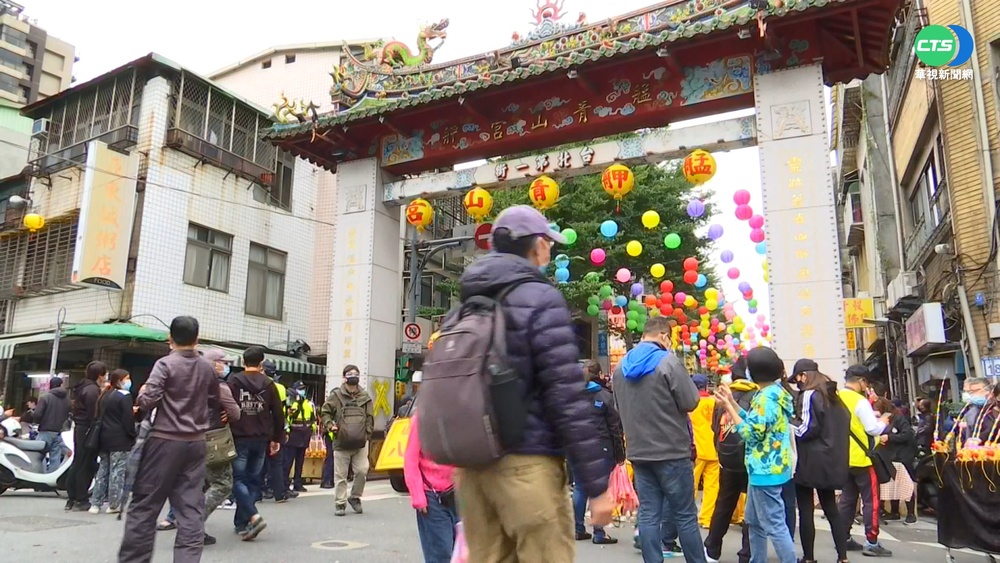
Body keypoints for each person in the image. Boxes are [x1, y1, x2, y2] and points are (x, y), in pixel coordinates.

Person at [450, 206, 613, 561]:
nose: (549, 250)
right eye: (548, 243)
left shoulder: (464, 305)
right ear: (537, 245)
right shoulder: (541, 298)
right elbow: (566, 395)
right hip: (528, 465)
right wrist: (597, 485)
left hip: (472, 469)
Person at [118, 316, 220, 563]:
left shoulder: (165, 364)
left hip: (164, 439)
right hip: (196, 441)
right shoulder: (207, 367)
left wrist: (143, 394)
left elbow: (148, 400)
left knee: (145, 505)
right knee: (190, 508)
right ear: (197, 338)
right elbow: (214, 400)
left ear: (170, 338)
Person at [614, 315, 706, 563]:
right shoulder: (668, 361)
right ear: (664, 336)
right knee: (685, 515)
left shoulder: (620, 368)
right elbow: (691, 401)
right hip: (672, 451)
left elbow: (618, 407)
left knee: (648, 514)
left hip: (639, 452)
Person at [714, 347, 795, 563]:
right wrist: (732, 404)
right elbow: (754, 420)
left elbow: (750, 433)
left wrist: (729, 408)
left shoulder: (765, 398)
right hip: (770, 467)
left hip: (764, 470)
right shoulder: (774, 393)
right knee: (755, 522)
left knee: (775, 525)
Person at [790, 369, 850, 563]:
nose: (798, 383)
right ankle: (843, 557)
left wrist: (787, 422)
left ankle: (808, 558)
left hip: (809, 461)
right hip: (831, 460)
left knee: (805, 510)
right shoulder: (834, 398)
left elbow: (805, 429)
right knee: (831, 509)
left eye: (797, 378)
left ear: (804, 375)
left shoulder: (809, 395)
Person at [228, 345, 286, 540]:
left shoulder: (234, 381)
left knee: (237, 479)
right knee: (253, 480)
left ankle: (251, 517)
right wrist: (277, 439)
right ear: (261, 363)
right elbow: (278, 414)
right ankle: (243, 522)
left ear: (243, 362)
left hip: (239, 437)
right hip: (261, 439)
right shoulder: (269, 384)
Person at [704, 357, 758, 563]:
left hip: (727, 460)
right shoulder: (757, 395)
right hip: (750, 459)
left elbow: (715, 428)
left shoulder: (723, 395)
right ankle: (747, 553)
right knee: (752, 508)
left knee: (724, 504)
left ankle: (712, 549)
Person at [836, 365, 893, 557]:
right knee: (871, 501)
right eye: (866, 383)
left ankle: (843, 538)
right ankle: (872, 542)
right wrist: (882, 422)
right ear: (861, 381)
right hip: (863, 459)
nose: (866, 387)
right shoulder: (859, 401)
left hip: (844, 458)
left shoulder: (836, 397)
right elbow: (872, 429)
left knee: (847, 500)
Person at [574, 359, 626, 544]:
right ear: (600, 374)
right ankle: (599, 532)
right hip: (600, 447)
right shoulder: (604, 396)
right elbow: (614, 428)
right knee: (600, 488)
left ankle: (578, 528)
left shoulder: (572, 397)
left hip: (577, 447)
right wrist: (620, 454)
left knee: (580, 487)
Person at [320, 364, 374, 516]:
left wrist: (367, 434)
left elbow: (370, 417)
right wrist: (330, 425)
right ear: (344, 378)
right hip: (341, 441)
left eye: (356, 373)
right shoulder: (336, 396)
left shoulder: (365, 397)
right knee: (340, 475)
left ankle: (355, 497)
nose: (353, 376)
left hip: (361, 442)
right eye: (350, 374)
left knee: (362, 470)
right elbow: (325, 412)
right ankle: (340, 503)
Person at [405, 410, 458, 563]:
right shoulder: (421, 418)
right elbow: (410, 459)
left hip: (461, 492)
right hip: (432, 496)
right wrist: (418, 496)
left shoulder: (462, 415)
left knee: (463, 552)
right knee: (441, 554)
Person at [89, 369, 137, 514]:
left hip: (103, 438)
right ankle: (114, 504)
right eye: (127, 378)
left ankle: (95, 503)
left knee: (103, 471)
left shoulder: (105, 395)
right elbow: (128, 420)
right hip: (120, 439)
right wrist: (132, 435)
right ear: (120, 380)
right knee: (117, 472)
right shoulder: (125, 396)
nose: (129, 381)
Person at [66, 361, 107, 512]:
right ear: (100, 375)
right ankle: (81, 498)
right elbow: (93, 413)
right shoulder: (92, 390)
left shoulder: (82, 386)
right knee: (85, 463)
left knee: (78, 461)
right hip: (88, 428)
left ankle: (72, 497)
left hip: (80, 428)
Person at [873, 397, 917, 525]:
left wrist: (890, 437)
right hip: (889, 456)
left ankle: (910, 513)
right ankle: (894, 511)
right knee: (893, 484)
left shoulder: (899, 419)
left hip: (902, 456)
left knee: (905, 484)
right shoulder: (881, 421)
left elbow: (908, 434)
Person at [690, 374, 720, 530]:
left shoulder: (690, 404)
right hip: (714, 449)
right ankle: (706, 518)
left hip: (696, 450)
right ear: (706, 387)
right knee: (712, 486)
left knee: (691, 485)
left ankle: (688, 517)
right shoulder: (715, 403)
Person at [26, 375, 71, 472]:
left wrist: (36, 420)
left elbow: (37, 414)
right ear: (61, 385)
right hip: (59, 432)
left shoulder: (46, 397)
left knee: (38, 455)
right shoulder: (67, 400)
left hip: (45, 431)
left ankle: (39, 475)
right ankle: (52, 477)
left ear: (50, 385)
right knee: (55, 458)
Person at [260, 359, 290, 502]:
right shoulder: (281, 388)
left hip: (260, 428)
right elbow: (282, 412)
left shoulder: (259, 384)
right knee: (277, 463)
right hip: (276, 428)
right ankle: (279, 493)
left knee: (259, 462)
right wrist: (284, 430)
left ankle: (258, 492)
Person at [284, 381, 317, 494]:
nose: (302, 391)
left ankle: (298, 483)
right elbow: (287, 418)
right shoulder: (291, 403)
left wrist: (311, 429)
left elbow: (313, 418)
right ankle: (285, 484)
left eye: (303, 389)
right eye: (300, 389)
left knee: (300, 461)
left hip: (304, 434)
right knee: (288, 461)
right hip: (293, 434)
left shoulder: (309, 404)